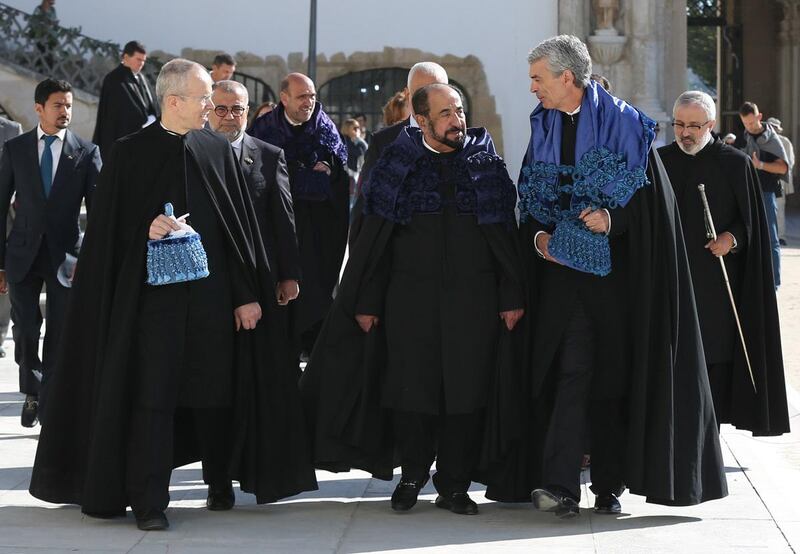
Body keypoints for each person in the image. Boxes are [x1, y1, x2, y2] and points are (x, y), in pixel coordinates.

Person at [29, 59, 317, 531]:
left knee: (213, 396)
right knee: (152, 400)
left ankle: (219, 480)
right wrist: (146, 228)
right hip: (152, 306)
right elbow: (106, 235)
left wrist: (247, 295)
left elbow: (238, 232)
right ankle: (148, 500)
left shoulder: (216, 150)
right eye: (204, 98)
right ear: (174, 100)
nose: (212, 105)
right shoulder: (127, 153)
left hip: (212, 302)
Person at [493, 35, 726, 518]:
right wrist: (538, 241)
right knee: (569, 373)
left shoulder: (629, 129)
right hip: (560, 284)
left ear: (566, 77)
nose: (532, 87)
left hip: (619, 287)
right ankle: (559, 485)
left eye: (538, 78)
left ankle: (609, 484)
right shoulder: (543, 127)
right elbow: (531, 202)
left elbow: (652, 216)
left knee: (614, 382)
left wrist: (612, 220)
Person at [301, 83, 524, 516]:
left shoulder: (486, 166)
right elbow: (373, 242)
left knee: (465, 394)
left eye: (458, 110)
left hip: (473, 304)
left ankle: (454, 484)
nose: (456, 120)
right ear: (420, 120)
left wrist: (511, 294)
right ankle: (412, 476)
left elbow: (505, 240)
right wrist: (366, 301)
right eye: (445, 113)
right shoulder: (395, 165)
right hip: (408, 303)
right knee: (411, 393)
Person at [659, 91, 789, 436]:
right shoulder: (659, 162)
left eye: (694, 126)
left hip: (717, 283)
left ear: (711, 125)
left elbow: (752, 225)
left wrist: (730, 239)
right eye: (680, 125)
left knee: (714, 358)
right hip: (671, 280)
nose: (685, 133)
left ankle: (708, 436)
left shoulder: (735, 162)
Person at [0, 79, 100, 428]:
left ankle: (50, 398)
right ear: (39, 108)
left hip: (66, 259)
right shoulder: (15, 150)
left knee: (60, 330)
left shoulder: (87, 152)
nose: (65, 112)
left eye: (69, 105)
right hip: (22, 254)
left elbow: (100, 212)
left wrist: (94, 260)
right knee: (26, 327)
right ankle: (32, 388)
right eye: (58, 105)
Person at [249, 73, 350, 361]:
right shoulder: (264, 128)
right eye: (302, 96)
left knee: (314, 297)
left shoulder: (326, 129)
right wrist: (304, 176)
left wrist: (319, 176)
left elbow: (337, 178)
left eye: (312, 96)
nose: (309, 102)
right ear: (284, 98)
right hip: (277, 231)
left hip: (317, 231)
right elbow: (258, 179)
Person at [208, 80, 300, 308]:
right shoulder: (191, 152)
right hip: (208, 274)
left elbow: (283, 219)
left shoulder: (269, 156)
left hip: (257, 272)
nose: (229, 116)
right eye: (221, 109)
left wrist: (289, 275)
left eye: (237, 109)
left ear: (247, 112)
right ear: (208, 110)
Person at [349, 62, 449, 246]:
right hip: (400, 259)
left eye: (437, 90)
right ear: (408, 95)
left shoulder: (465, 141)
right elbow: (364, 208)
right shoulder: (384, 143)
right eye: (422, 92)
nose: (430, 99)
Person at [739, 102, 789, 289]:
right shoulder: (743, 137)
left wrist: (760, 165)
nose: (749, 127)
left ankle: (774, 284)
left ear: (759, 117)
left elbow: (783, 167)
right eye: (746, 124)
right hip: (746, 190)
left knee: (771, 238)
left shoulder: (771, 138)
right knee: (748, 236)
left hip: (766, 191)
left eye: (752, 123)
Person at [93, 41, 160, 160]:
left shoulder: (141, 78)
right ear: (126, 57)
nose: (141, 64)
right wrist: (142, 120)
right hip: (120, 140)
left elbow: (150, 104)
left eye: (143, 60)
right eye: (138, 59)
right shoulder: (114, 79)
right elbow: (117, 113)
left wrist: (153, 118)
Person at [0, 116, 24, 359]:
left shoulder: (11, 129)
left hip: (6, 213)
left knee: (3, 277)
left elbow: (24, 169)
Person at [766, 117, 795, 245]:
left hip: (780, 179)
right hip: (766, 178)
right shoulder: (765, 140)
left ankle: (781, 235)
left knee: (780, 206)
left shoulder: (785, 142)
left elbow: (790, 161)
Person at [340, 118, 367, 205]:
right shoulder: (345, 140)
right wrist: (359, 139)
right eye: (354, 128)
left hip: (354, 174)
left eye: (358, 128)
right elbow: (360, 151)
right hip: (348, 175)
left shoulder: (352, 141)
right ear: (347, 129)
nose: (357, 130)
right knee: (350, 201)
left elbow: (366, 151)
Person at [27, 0, 58, 72]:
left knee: (50, 57)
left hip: (50, 37)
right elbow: (34, 20)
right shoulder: (39, 8)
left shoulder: (53, 10)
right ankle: (37, 71)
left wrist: (53, 23)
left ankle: (48, 73)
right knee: (40, 55)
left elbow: (54, 20)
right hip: (40, 36)